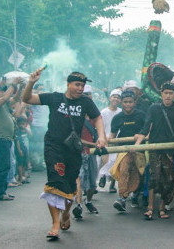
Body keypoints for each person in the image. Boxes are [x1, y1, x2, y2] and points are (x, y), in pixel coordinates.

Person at [22, 70, 107, 240]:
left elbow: (97, 118)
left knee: (69, 187)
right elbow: (27, 99)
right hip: (54, 147)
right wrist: (31, 82)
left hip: (74, 149)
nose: (80, 88)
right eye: (77, 85)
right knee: (54, 182)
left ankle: (66, 213)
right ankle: (54, 223)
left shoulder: (86, 102)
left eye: (82, 85)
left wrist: (102, 136)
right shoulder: (54, 98)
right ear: (68, 84)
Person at [139, 82, 174, 220]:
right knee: (154, 177)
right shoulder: (153, 108)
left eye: (170, 93)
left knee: (168, 179)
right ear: (161, 94)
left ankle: (161, 208)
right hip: (155, 148)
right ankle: (150, 208)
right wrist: (137, 143)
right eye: (165, 93)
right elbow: (145, 127)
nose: (167, 96)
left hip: (170, 150)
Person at [108, 90, 147, 213]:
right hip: (124, 151)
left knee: (140, 174)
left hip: (140, 150)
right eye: (125, 102)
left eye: (130, 102)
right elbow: (112, 136)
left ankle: (135, 194)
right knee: (124, 169)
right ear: (121, 103)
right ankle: (122, 198)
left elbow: (148, 130)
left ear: (134, 102)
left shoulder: (141, 115)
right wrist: (106, 142)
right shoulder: (117, 118)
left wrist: (140, 138)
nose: (128, 104)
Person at [0, 78, 22, 201]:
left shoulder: (5, 105)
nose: (2, 92)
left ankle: (2, 191)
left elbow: (16, 99)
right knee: (3, 166)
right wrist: (14, 84)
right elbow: (7, 97)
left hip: (6, 139)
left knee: (5, 165)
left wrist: (21, 87)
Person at [72, 85, 101, 218]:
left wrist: (101, 142)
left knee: (92, 183)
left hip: (91, 154)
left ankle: (88, 201)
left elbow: (101, 135)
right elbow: (76, 138)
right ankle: (78, 205)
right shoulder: (75, 119)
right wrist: (94, 144)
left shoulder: (95, 119)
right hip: (78, 153)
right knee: (79, 179)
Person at [97, 88, 122, 193]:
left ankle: (112, 185)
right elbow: (101, 126)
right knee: (105, 160)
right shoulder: (103, 112)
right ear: (110, 98)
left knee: (115, 162)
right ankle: (102, 175)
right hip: (106, 139)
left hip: (118, 139)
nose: (116, 99)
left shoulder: (121, 112)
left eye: (118, 97)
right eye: (114, 97)